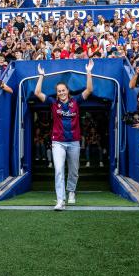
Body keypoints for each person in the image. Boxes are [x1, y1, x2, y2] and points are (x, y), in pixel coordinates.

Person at [34, 60, 94, 210]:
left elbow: (89, 90)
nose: (61, 92)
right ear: (57, 93)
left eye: (63, 90)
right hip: (58, 142)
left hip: (74, 141)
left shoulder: (76, 101)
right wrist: (41, 76)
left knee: (74, 170)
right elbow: (37, 93)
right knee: (59, 170)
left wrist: (88, 72)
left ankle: (71, 191)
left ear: (68, 90)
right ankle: (61, 200)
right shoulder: (53, 103)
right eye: (59, 91)